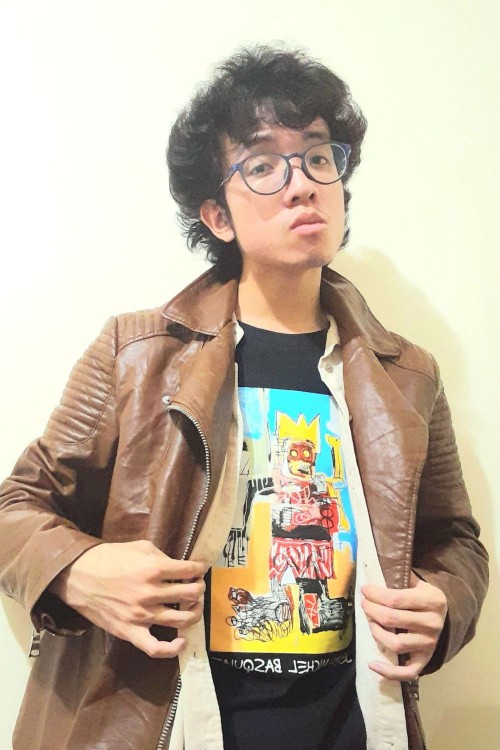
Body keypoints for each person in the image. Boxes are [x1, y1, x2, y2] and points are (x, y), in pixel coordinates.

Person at [0, 46, 488, 750]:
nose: (302, 185)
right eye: (262, 166)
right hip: (175, 726)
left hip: (354, 725)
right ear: (217, 216)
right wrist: (76, 572)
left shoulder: (406, 374)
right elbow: (16, 507)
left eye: (317, 157)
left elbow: (456, 540)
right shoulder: (136, 354)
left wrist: (446, 604)